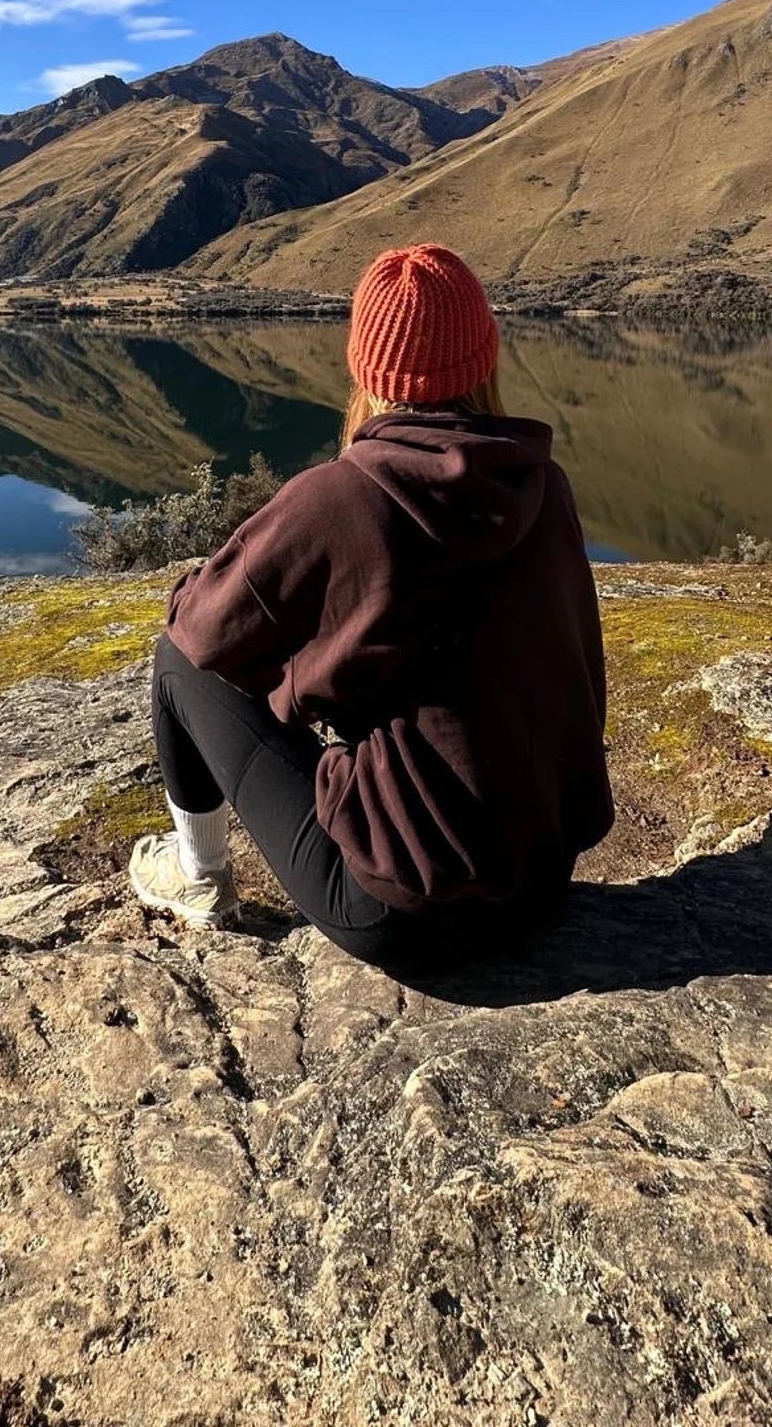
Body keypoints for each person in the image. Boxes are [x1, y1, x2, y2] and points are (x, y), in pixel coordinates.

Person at [129, 241, 614, 972]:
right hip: (545, 874)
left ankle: (196, 875)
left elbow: (202, 623)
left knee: (179, 661)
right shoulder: (542, 484)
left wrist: (290, 653)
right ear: (484, 358)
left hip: (407, 912)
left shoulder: (343, 497)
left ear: (368, 370)